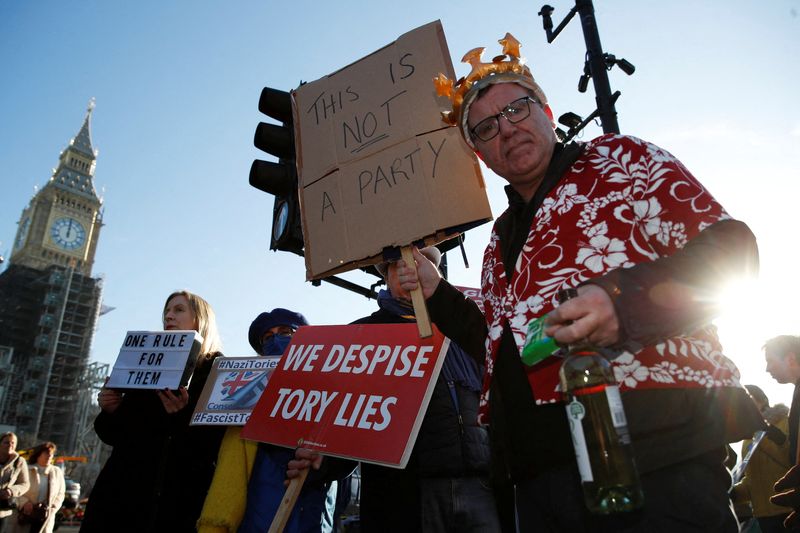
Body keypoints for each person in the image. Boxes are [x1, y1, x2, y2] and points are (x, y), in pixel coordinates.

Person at [396, 34, 764, 532]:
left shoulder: (621, 160)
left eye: (518, 109)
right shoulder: (497, 241)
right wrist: (434, 289)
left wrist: (624, 302)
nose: (507, 130)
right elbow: (498, 342)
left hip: (656, 450)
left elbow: (731, 252)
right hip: (537, 483)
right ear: (478, 153)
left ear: (547, 110)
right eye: (485, 128)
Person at [292, 247, 501, 532]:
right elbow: (346, 418)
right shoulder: (363, 335)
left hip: (481, 485)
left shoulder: (463, 326)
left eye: (417, 262)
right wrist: (325, 459)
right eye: (396, 265)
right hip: (408, 494)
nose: (407, 270)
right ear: (386, 277)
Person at [80, 290, 226, 533]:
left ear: (201, 320)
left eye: (179, 310)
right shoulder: (146, 364)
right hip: (120, 499)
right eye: (167, 311)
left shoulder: (217, 371)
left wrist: (179, 418)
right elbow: (114, 435)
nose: (169, 316)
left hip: (175, 504)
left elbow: (215, 444)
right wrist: (111, 410)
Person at [197, 308, 352, 533]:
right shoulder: (242, 401)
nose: (276, 340)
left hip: (312, 520)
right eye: (268, 338)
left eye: (286, 332)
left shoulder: (332, 393)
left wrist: (323, 464)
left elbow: (350, 458)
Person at [731, 385, 791, 533]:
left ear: (763, 400)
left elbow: (790, 461)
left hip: (789, 509)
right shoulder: (747, 439)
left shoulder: (786, 423)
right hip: (763, 516)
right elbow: (753, 480)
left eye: (749, 400)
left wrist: (765, 436)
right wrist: (734, 493)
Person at [13, 441, 65, 533]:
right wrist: (24, 502)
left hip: (45, 517)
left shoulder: (57, 472)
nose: (49, 456)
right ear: (38, 454)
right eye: (47, 453)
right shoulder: (26, 469)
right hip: (25, 515)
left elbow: (61, 493)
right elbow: (15, 489)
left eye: (52, 454)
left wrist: (53, 507)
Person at [0, 433, 29, 531]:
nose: (10, 445)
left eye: (13, 443)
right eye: (6, 442)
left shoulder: (19, 461)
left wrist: (11, 491)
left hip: (2, 510)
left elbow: (25, 484)